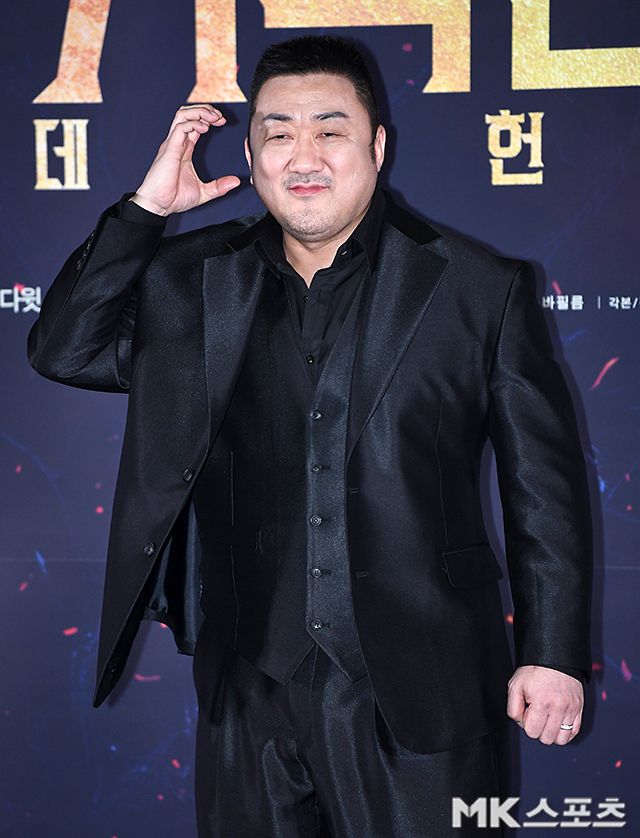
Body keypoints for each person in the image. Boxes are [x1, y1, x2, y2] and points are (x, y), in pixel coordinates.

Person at [27, 35, 592, 838]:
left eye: (330, 129)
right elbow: (62, 349)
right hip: (246, 688)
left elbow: (544, 490)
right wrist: (147, 211)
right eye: (278, 132)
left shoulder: (478, 287)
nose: (304, 155)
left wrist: (553, 651)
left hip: (425, 686)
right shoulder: (194, 279)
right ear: (250, 155)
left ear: (377, 145)